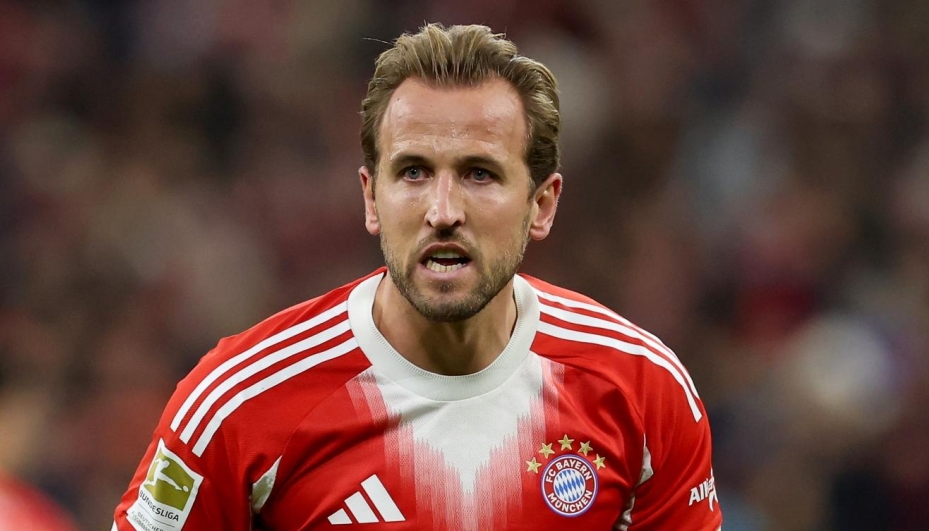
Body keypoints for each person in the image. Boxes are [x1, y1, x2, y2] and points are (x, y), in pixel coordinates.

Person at [111, 23, 722, 531]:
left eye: (479, 173)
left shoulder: (642, 391)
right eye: (413, 172)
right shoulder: (237, 402)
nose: (443, 210)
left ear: (542, 204)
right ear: (370, 197)